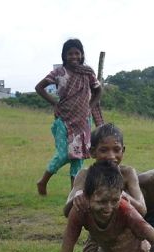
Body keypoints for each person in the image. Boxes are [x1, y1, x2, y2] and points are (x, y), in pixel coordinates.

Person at [63, 123, 147, 252]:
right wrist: (78, 196)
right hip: (98, 234)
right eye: (104, 150)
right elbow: (67, 210)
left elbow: (142, 209)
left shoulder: (127, 173)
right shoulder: (85, 175)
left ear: (123, 150)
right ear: (92, 152)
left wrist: (125, 197)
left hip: (127, 234)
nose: (111, 156)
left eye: (116, 150)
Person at [35, 38, 103, 195]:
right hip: (63, 120)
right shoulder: (59, 73)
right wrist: (55, 103)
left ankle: (74, 193)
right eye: (70, 54)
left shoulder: (88, 72)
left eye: (77, 53)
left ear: (82, 55)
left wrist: (89, 107)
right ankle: (43, 181)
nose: (74, 57)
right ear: (64, 56)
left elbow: (98, 91)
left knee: (78, 156)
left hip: (83, 119)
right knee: (63, 154)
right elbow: (39, 87)